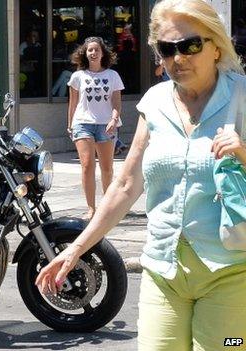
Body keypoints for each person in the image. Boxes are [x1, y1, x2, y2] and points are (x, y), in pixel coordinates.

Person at [36, 1, 246, 349]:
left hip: (231, 271)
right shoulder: (155, 102)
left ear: (216, 45)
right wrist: (75, 249)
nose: (178, 58)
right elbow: (126, 184)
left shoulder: (241, 95)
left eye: (190, 45)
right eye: (167, 49)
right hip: (163, 270)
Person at [66, 36, 124, 220]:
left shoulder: (112, 76)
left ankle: (107, 206)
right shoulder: (78, 76)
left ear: (102, 53)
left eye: (96, 49)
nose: (93, 53)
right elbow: (72, 103)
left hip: (106, 124)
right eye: (90, 50)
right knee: (87, 165)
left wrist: (114, 119)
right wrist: (70, 125)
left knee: (107, 168)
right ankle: (91, 208)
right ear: (85, 53)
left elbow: (116, 102)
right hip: (82, 123)